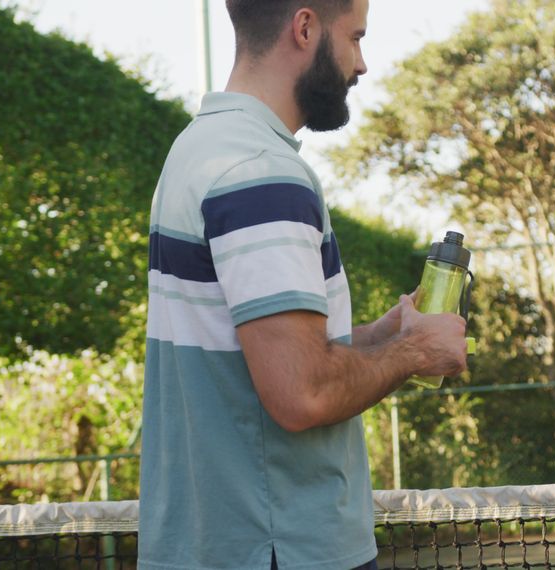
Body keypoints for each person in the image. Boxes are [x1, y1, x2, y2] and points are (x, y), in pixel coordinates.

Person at [139, 1, 467, 568]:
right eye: (355, 38)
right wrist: (414, 352)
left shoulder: (198, 148)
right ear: (306, 26)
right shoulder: (260, 172)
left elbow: (259, 354)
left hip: (214, 543)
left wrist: (384, 333)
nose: (361, 64)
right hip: (278, 547)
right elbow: (302, 392)